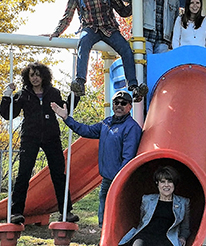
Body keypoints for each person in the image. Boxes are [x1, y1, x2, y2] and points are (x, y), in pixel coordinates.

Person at [52, 0, 145, 103]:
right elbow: (67, 16)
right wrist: (56, 32)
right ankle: (80, 81)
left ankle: (133, 86)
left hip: (109, 28)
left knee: (126, 48)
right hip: (90, 28)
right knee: (83, 43)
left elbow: (122, 11)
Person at [0, 62, 75, 225]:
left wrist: (75, 95)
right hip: (30, 137)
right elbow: (8, 114)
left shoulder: (53, 93)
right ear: (27, 77)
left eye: (38, 75)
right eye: (32, 75)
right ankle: (16, 212)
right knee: (23, 174)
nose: (35, 78)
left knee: (58, 174)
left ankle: (66, 212)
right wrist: (6, 96)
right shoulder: (23, 94)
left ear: (44, 76)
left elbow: (66, 110)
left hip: (51, 136)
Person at [51, 89, 142, 227]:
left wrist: (121, 178)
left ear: (130, 107)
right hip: (106, 177)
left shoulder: (131, 127)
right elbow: (86, 130)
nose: (119, 105)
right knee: (104, 207)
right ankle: (103, 232)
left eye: (123, 103)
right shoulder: (107, 123)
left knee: (119, 210)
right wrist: (66, 118)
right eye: (116, 102)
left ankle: (116, 233)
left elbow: (128, 156)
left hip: (120, 178)